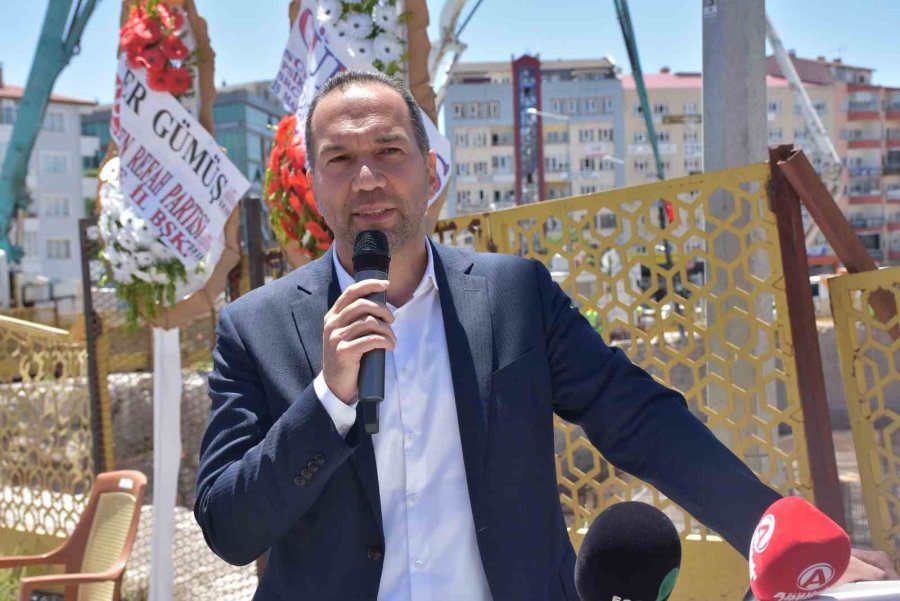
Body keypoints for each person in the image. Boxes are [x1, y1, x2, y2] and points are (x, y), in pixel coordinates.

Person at [194, 70, 896, 600]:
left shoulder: (513, 296)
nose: (369, 176)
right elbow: (229, 527)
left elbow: (641, 418)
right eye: (340, 159)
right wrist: (327, 400)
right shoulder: (255, 329)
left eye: (389, 149)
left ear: (429, 170)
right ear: (313, 182)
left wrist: (771, 526)